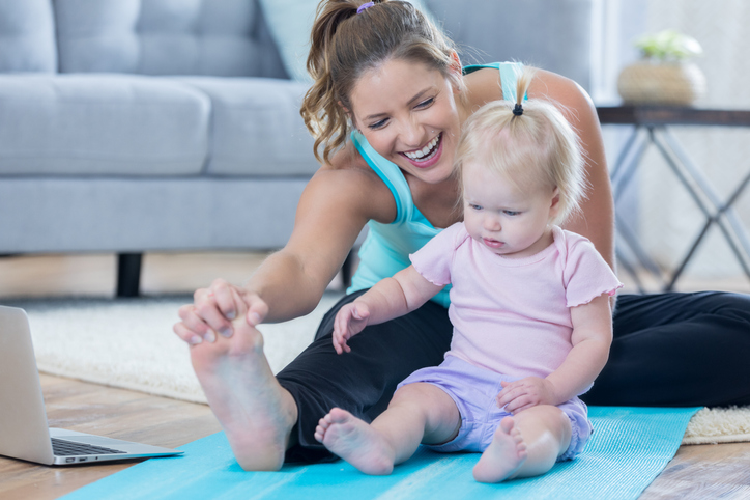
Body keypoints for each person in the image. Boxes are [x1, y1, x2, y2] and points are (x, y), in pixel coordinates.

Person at [172, 0, 750, 472]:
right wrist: (247, 301)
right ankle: (280, 417)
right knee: (362, 339)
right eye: (379, 122)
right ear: (353, 119)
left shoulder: (546, 110)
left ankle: (518, 395)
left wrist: (555, 375)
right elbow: (299, 267)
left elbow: (590, 283)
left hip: (544, 326)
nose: (412, 134)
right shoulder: (355, 171)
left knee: (737, 327)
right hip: (418, 320)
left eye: (423, 101)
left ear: (453, 67)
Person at [314, 70, 622, 482]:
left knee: (552, 428)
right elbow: (407, 288)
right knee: (415, 400)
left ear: (553, 202)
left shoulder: (575, 257)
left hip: (536, 396)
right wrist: (367, 306)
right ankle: (382, 443)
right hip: (461, 387)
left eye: (509, 212)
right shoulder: (460, 241)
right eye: (476, 207)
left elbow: (594, 340)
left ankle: (515, 455)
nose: (489, 225)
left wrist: (551, 390)